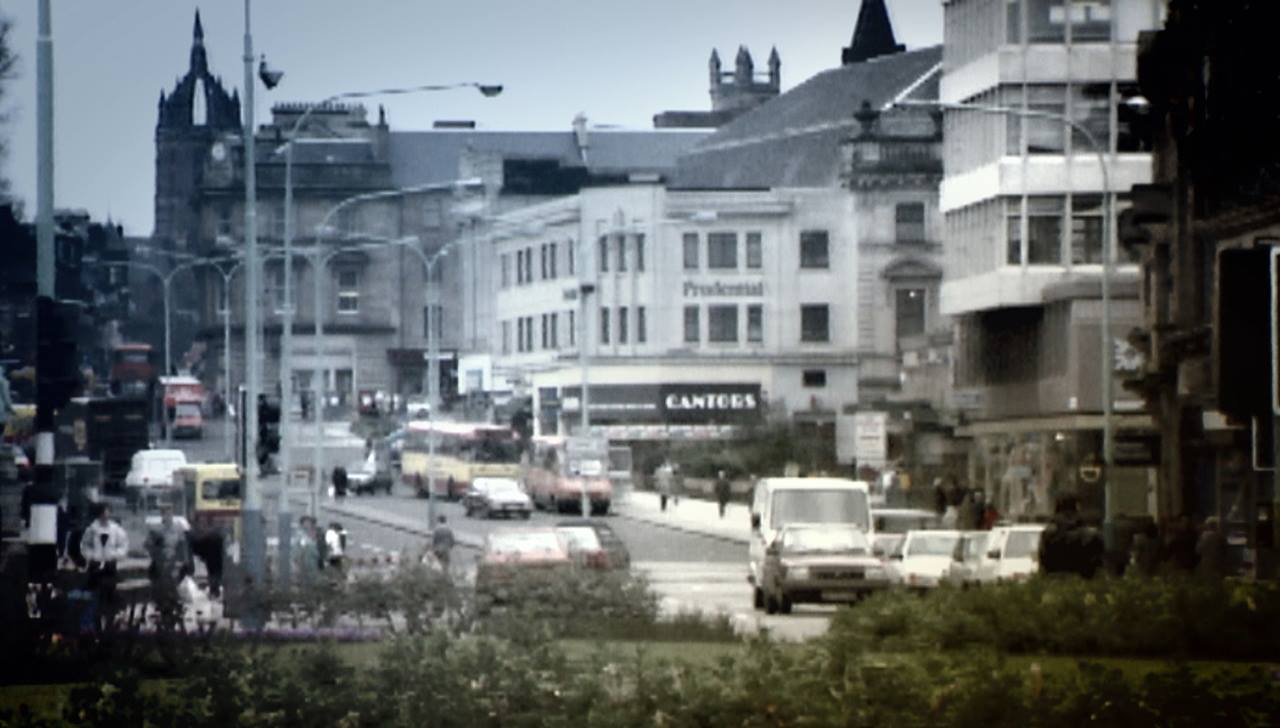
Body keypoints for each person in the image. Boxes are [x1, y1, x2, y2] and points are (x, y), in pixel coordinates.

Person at [81, 502, 129, 629]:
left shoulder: (116, 530)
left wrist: (113, 555)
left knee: (110, 595)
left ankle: (109, 624)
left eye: (107, 512)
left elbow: (123, 547)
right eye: (103, 512)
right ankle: (95, 624)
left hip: (110, 566)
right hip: (95, 567)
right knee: (94, 596)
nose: (105, 515)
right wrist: (92, 556)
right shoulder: (92, 529)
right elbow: (85, 546)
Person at [145, 503, 192, 626]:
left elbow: (183, 547)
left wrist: (183, 561)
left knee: (173, 588)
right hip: (160, 563)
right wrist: (156, 553)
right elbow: (148, 545)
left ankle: (173, 611)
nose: (167, 515)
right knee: (162, 588)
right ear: (162, 515)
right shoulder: (156, 530)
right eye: (165, 513)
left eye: (169, 512)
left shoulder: (178, 529)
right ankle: (164, 612)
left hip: (174, 563)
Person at [293, 516, 321, 583]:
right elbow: (300, 548)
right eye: (305, 523)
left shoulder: (314, 533)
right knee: (304, 577)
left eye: (309, 523)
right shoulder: (300, 534)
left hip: (313, 560)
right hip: (304, 559)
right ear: (302, 524)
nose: (307, 525)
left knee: (312, 577)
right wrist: (297, 562)